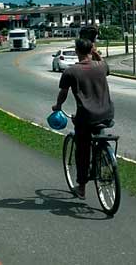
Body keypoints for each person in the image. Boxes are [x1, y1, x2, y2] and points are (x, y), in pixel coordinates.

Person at [51, 35, 115, 199]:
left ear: (76, 51)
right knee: (96, 136)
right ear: (91, 50)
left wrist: (57, 106)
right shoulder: (101, 66)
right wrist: (97, 53)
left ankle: (81, 187)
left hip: (86, 117)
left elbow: (63, 93)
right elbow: (105, 66)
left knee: (82, 151)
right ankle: (105, 161)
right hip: (107, 114)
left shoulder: (70, 71)